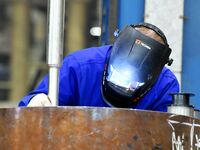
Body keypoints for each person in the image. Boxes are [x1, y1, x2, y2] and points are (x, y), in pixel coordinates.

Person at [19, 23, 179, 112]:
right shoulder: (79, 66)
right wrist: (35, 101)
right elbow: (35, 106)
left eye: (133, 83)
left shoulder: (165, 84)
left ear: (154, 73)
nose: (125, 85)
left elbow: (165, 134)